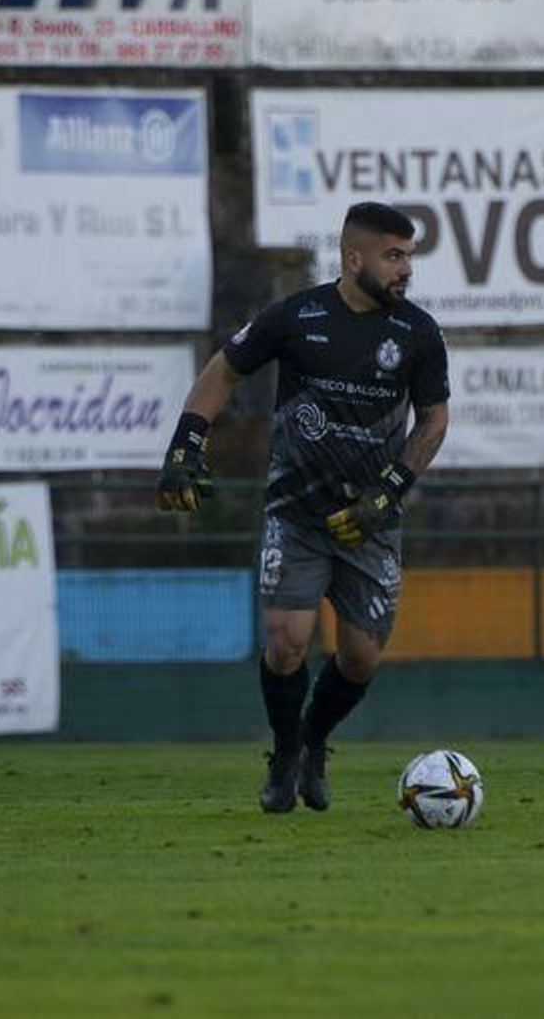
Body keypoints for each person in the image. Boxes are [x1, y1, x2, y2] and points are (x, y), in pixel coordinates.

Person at [157, 201, 450, 814]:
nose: (405, 270)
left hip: (371, 518)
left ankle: (315, 742)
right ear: (353, 257)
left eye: (408, 257)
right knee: (288, 641)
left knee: (361, 656)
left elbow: (434, 421)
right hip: (295, 513)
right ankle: (286, 752)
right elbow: (223, 371)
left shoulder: (417, 333)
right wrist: (187, 439)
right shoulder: (297, 316)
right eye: (393, 256)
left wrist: (389, 491)